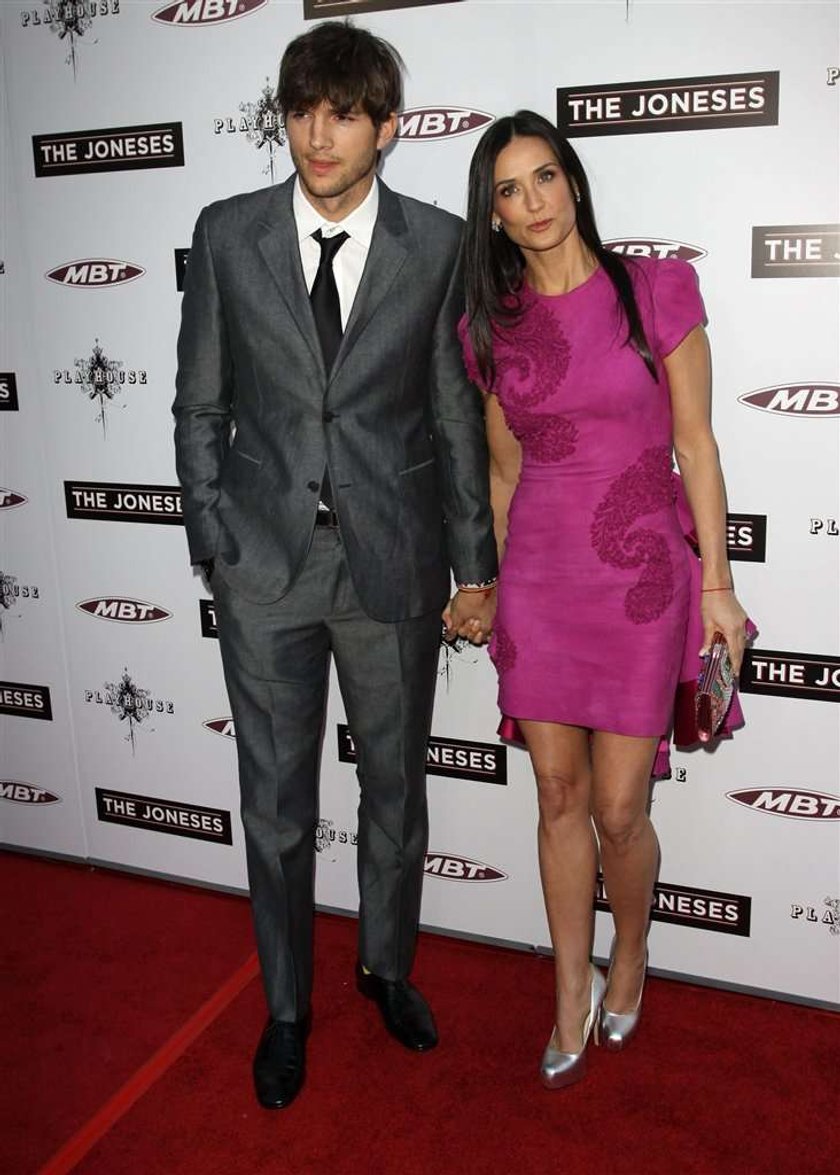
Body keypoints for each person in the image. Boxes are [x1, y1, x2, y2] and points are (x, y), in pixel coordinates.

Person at [173, 20, 496, 1111]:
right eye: (303, 111)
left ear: (387, 128)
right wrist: (214, 542)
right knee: (274, 803)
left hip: (392, 566)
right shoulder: (228, 234)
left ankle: (386, 967)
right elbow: (200, 401)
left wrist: (474, 565)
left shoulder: (438, 245)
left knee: (396, 787)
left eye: (345, 115)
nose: (319, 135)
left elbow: (454, 416)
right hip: (264, 568)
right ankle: (285, 1006)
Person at [458, 110, 748, 1089]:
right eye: (509, 189)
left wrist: (718, 585)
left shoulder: (654, 290)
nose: (532, 201)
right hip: (541, 581)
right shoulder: (491, 327)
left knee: (621, 809)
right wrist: (491, 583)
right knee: (556, 794)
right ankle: (567, 988)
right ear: (493, 215)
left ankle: (631, 949)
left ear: (574, 182)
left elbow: (697, 445)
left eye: (545, 176)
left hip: (642, 580)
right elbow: (504, 475)